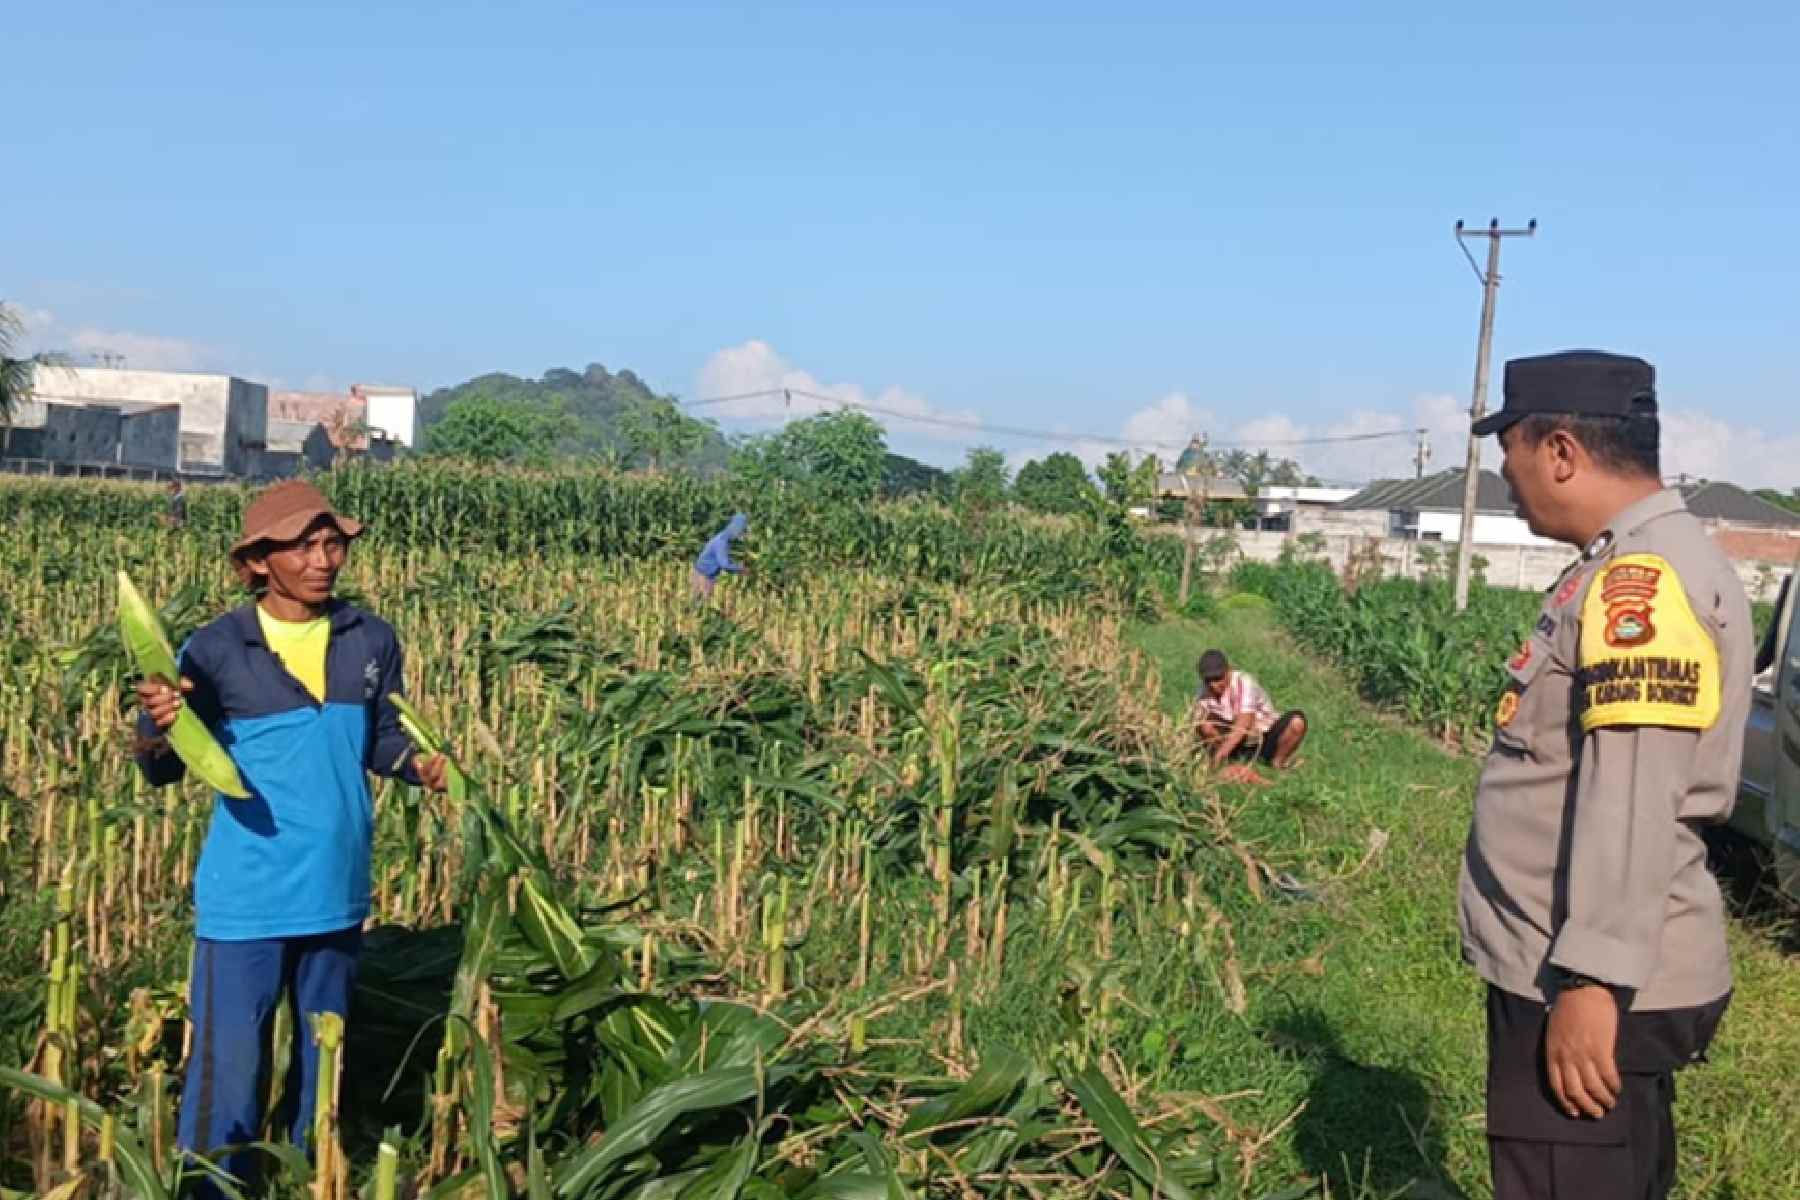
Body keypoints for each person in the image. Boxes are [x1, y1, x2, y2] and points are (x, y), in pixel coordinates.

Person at [1458, 351, 1751, 1200]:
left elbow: (1632, 793)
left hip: (1583, 980)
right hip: (1579, 965)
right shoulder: (1627, 560)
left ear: (1558, 450)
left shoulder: (1642, 582)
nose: (1503, 474)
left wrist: (1593, 981)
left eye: (1506, 448)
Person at [133, 479, 450, 1193]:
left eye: (331, 542)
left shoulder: (369, 639)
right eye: (302, 545)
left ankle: (312, 1180)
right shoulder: (215, 649)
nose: (323, 558)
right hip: (247, 899)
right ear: (257, 562)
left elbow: (379, 740)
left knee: (321, 1076)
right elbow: (164, 768)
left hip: (336, 895)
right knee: (229, 1076)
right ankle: (212, 1188)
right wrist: (156, 720)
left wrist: (420, 765)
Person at [1192, 649, 1308, 771]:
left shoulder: (1244, 682)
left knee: (1296, 722)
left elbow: (1243, 724)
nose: (1214, 685)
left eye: (1218, 678)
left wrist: (1219, 756)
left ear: (1229, 670)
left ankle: (1277, 763)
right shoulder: (1202, 691)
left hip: (1264, 735)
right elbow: (1197, 721)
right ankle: (1229, 759)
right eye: (1208, 680)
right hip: (1235, 740)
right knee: (1204, 724)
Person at [691, 512, 748, 600]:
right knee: (699, 604)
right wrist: (740, 569)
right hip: (702, 576)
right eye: (740, 531)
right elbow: (724, 564)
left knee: (701, 604)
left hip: (707, 575)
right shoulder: (721, 542)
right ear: (735, 528)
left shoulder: (724, 539)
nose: (739, 535)